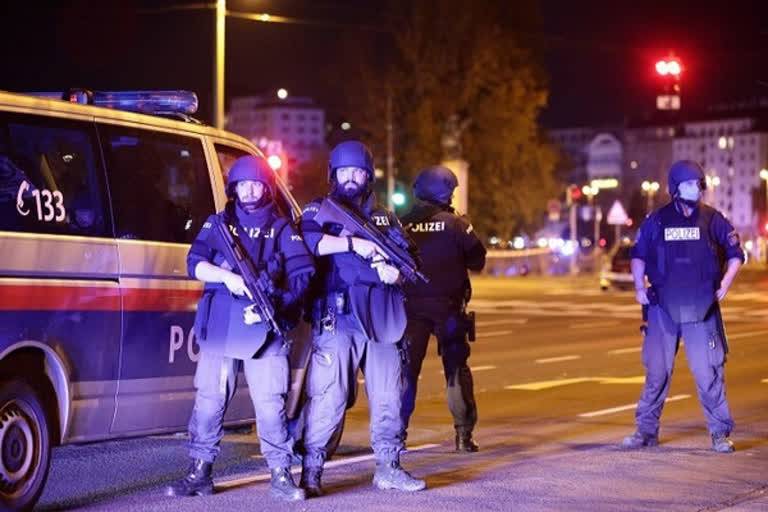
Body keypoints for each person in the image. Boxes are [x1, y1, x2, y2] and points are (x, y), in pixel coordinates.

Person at [166, 155, 315, 501]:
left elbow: (302, 275)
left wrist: (274, 301)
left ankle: (280, 474)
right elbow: (194, 264)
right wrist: (228, 278)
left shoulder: (281, 229)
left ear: (266, 188)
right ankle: (199, 472)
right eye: (243, 185)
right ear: (233, 188)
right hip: (221, 324)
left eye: (256, 184)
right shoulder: (218, 225)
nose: (249, 191)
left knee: (270, 402)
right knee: (209, 399)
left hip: (265, 324)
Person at [298, 140, 426, 496]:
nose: (351, 178)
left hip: (382, 316)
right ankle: (312, 471)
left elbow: (408, 260)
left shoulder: (383, 216)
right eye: (344, 171)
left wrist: (394, 272)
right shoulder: (319, 209)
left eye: (357, 171)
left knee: (388, 396)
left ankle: (388, 467)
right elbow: (308, 242)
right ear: (333, 174)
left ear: (367, 175)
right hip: (338, 318)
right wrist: (355, 244)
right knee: (329, 396)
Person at [622, 160, 743, 453]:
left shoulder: (713, 218)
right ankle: (646, 432)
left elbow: (735, 253)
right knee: (656, 373)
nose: (696, 188)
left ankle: (719, 433)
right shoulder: (657, 220)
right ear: (675, 188)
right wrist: (639, 287)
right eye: (690, 184)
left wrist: (725, 283)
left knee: (708, 373)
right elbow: (638, 254)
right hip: (662, 306)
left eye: (698, 183)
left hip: (701, 307)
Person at [399, 166, 486, 452]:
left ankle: (396, 437)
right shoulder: (457, 225)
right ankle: (463, 437)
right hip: (449, 309)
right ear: (446, 191)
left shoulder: (403, 224)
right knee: (456, 371)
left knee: (406, 373)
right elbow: (478, 260)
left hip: (411, 311)